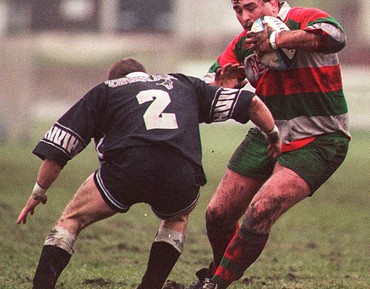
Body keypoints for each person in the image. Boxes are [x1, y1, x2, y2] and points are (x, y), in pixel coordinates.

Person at [16, 57, 282, 289]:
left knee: (71, 219)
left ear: (117, 79)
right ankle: (150, 285)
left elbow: (61, 146)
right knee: (176, 218)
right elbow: (252, 103)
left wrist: (39, 192)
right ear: (145, 75)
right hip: (180, 171)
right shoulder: (183, 84)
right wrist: (272, 135)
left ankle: (42, 285)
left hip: (127, 168)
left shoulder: (106, 91)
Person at [190, 0, 351, 289]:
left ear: (273, 3)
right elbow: (208, 85)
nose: (244, 18)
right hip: (267, 135)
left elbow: (336, 35)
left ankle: (215, 283)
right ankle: (221, 271)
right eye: (238, 11)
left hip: (320, 140)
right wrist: (220, 90)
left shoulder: (303, 18)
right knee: (218, 214)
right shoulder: (243, 45)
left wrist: (277, 40)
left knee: (260, 211)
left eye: (251, 7)